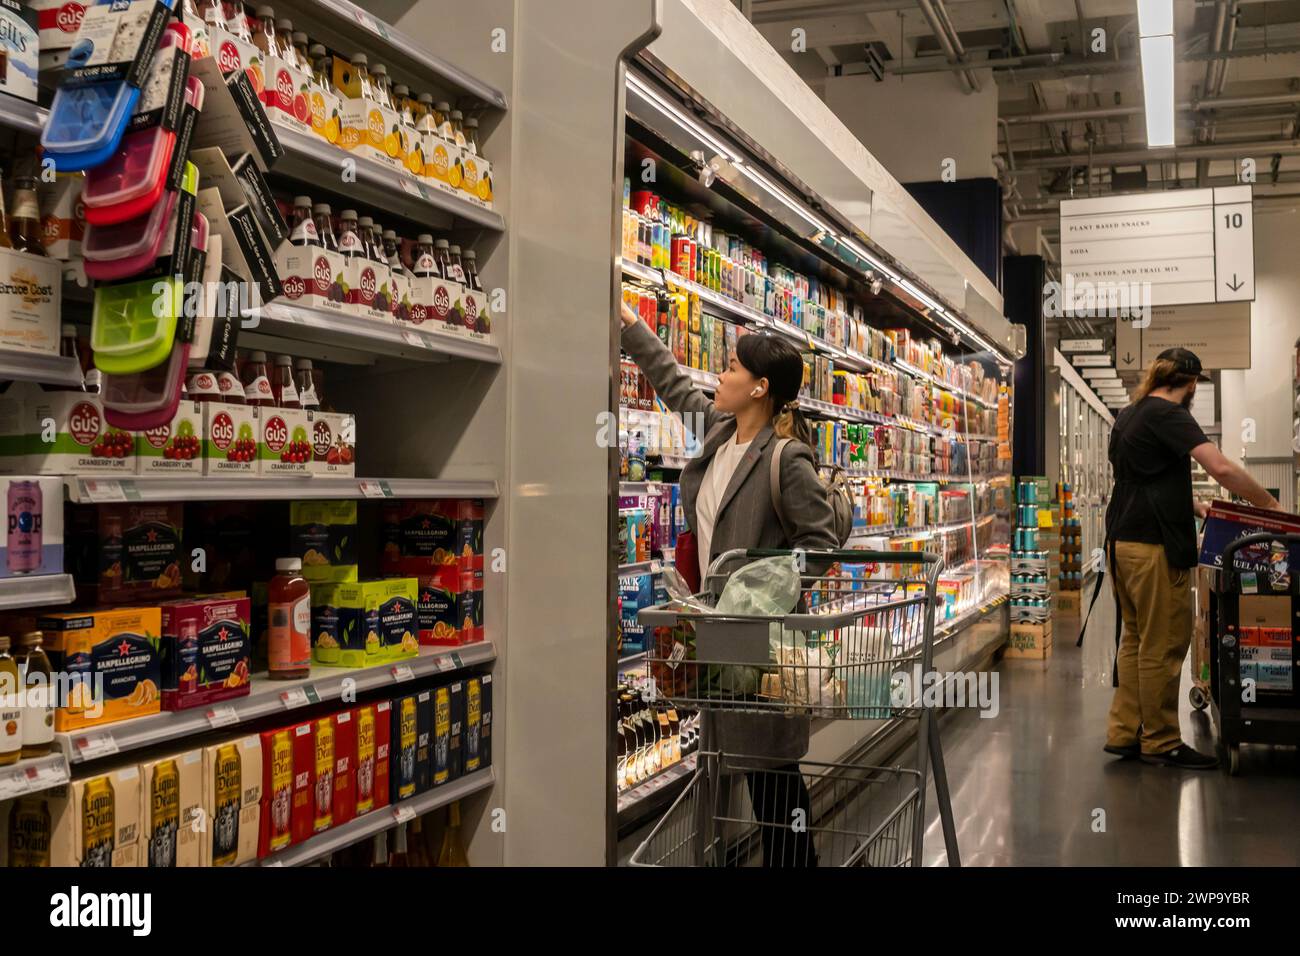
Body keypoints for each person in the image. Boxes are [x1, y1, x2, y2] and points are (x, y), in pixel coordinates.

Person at [619, 300, 837, 865]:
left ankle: (794, 863)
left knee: (769, 775)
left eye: (733, 368)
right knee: (720, 764)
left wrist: (766, 588)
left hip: (758, 639)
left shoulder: (786, 459)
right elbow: (672, 383)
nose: (720, 375)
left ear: (760, 387)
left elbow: (820, 542)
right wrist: (630, 324)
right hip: (716, 632)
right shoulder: (718, 431)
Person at [1103, 347, 1280, 770]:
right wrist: (1268, 502)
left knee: (1134, 639)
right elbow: (1220, 467)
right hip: (1154, 549)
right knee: (1163, 643)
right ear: (1191, 382)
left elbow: (1143, 479)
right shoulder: (1170, 414)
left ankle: (1125, 731)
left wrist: (1192, 504)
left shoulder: (1131, 413)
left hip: (1121, 542)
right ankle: (1161, 740)